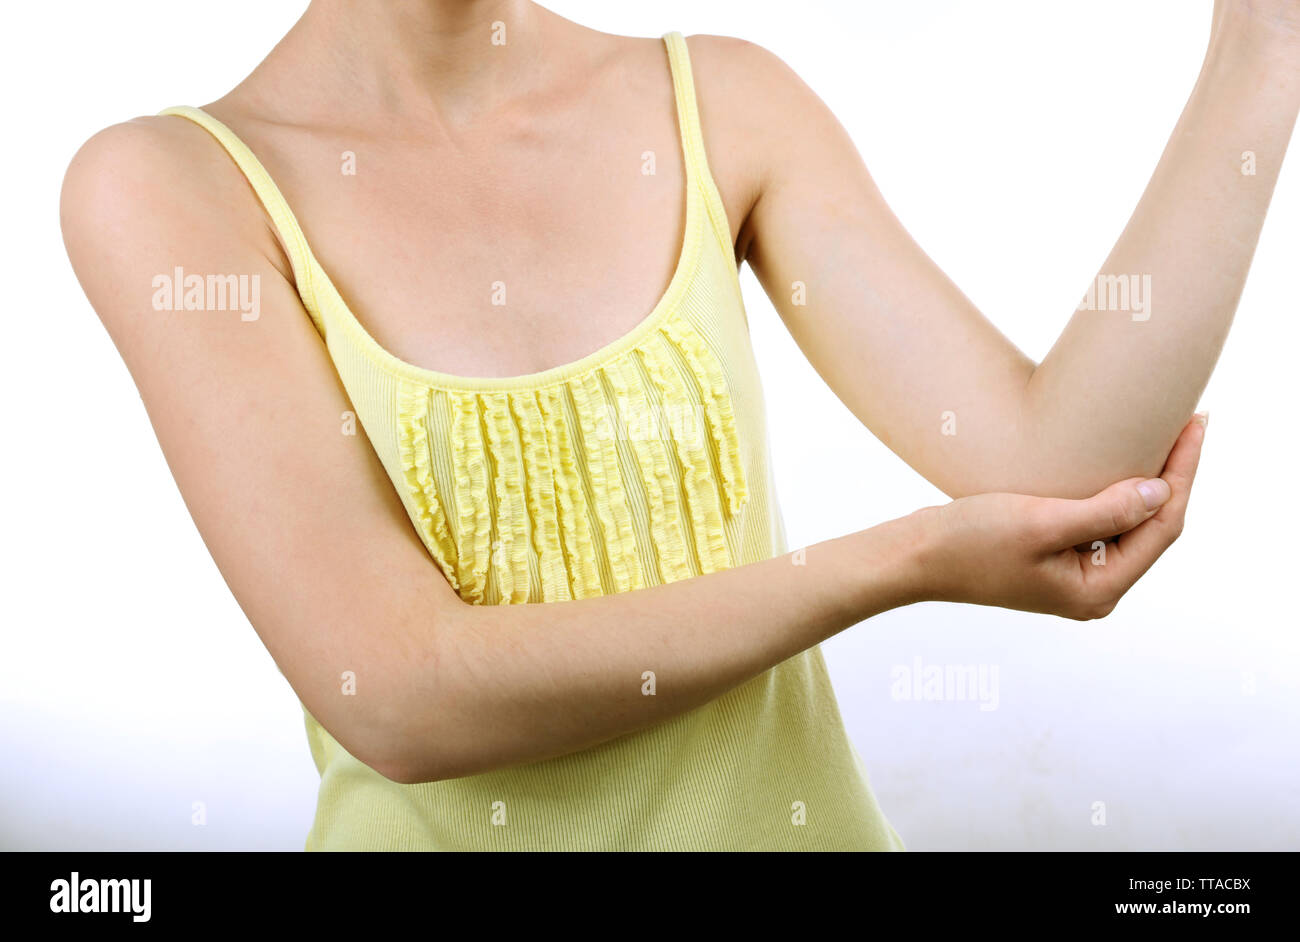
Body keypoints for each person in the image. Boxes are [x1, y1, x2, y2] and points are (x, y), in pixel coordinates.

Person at [59, 1, 1296, 850]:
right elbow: (397, 692)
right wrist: (899, 562)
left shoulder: (719, 103)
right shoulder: (168, 189)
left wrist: (1262, 48)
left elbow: (1060, 473)